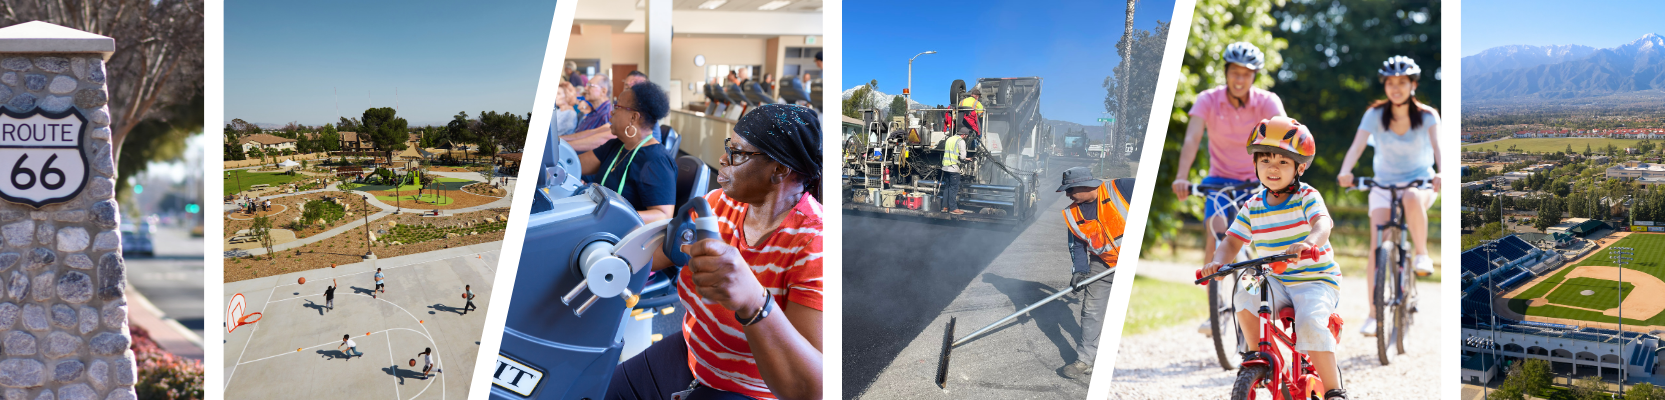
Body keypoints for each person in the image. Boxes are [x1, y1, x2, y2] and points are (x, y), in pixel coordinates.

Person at [606, 104, 822, 400]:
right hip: (695, 352)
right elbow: (653, 257)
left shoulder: (814, 243)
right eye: (727, 147)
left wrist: (754, 303)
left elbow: (810, 390)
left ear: (779, 169)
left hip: (751, 389)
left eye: (738, 152)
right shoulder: (718, 205)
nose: (723, 159)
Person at [1199, 117, 1346, 400]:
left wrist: (1309, 243)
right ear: (1255, 165)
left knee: (1311, 324)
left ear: (1299, 167)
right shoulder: (1253, 205)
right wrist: (1218, 262)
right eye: (1265, 160)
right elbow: (1231, 240)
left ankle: (1334, 390)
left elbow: (1323, 224)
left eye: (1282, 162)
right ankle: (1261, 356)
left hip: (1315, 280)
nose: (1272, 168)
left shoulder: (1307, 196)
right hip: (1274, 279)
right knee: (1243, 293)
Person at [1171, 42, 1287, 335]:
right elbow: (1191, 140)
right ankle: (1217, 309)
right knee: (1217, 228)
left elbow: (1285, 135)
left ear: (1254, 76)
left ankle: (1260, 297)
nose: (1239, 79)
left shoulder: (1267, 101)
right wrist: (1182, 176)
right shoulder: (1208, 100)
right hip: (1219, 179)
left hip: (1256, 180)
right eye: (1234, 72)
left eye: (1246, 74)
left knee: (1260, 241)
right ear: (1226, 72)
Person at [1338, 55, 1440, 336]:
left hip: (1419, 184)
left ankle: (1421, 254)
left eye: (1402, 83)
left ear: (1413, 85)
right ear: (1385, 85)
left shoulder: (1428, 115)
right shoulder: (1374, 115)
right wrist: (1346, 171)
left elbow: (1439, 147)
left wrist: (1441, 173)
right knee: (1377, 245)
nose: (1396, 88)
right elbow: (1357, 146)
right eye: (1391, 83)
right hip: (1382, 185)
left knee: (1409, 196)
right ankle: (1374, 314)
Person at [1057, 167, 1132, 379]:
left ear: (1084, 186)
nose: (1068, 195)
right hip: (1102, 264)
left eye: (1070, 190)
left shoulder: (1121, 188)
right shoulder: (1073, 213)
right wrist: (1080, 272)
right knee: (1091, 311)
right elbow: (1077, 246)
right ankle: (1085, 360)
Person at [579, 81, 676, 223]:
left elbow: (663, 216)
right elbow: (576, 165)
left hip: (623, 237)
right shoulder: (617, 146)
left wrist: (609, 215)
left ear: (634, 117)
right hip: (600, 226)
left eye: (617, 107)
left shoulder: (656, 160)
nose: (611, 112)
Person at [567, 76, 618, 152]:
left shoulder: (607, 115)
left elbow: (604, 148)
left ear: (603, 91)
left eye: (590, 85)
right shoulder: (593, 111)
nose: (586, 88)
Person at [940, 128, 969, 214]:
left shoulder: (949, 139)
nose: (966, 138)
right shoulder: (961, 141)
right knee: (953, 189)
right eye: (966, 136)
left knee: (947, 187)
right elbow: (962, 157)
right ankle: (953, 208)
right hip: (953, 167)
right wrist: (967, 159)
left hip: (945, 167)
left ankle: (944, 207)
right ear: (963, 134)